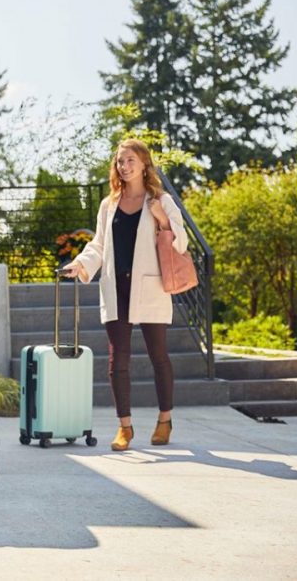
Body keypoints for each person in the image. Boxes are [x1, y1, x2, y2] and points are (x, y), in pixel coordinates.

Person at [62, 138, 188, 451]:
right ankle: (125, 427)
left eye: (131, 160)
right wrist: (80, 265)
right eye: (120, 161)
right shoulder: (109, 204)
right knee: (118, 359)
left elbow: (181, 243)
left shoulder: (160, 200)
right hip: (116, 286)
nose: (125, 166)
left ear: (144, 164)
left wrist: (160, 216)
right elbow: (99, 246)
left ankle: (165, 419)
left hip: (150, 286)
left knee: (158, 356)